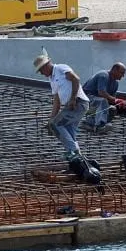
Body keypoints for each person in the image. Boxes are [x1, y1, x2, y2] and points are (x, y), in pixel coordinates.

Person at [34, 53, 100, 184]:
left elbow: (76, 79)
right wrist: (51, 120)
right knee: (68, 134)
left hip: (78, 103)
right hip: (70, 106)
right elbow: (57, 101)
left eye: (41, 70)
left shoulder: (60, 68)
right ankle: (77, 164)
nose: (41, 73)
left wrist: (73, 98)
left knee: (57, 126)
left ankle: (75, 155)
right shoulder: (52, 79)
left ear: (47, 65)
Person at [82, 62, 126, 131]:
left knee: (112, 109)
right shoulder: (103, 75)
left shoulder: (115, 83)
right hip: (85, 99)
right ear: (114, 70)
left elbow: (111, 99)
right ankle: (100, 125)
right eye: (121, 73)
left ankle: (94, 124)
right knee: (102, 101)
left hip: (96, 104)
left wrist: (120, 103)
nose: (123, 76)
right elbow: (101, 92)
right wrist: (116, 100)